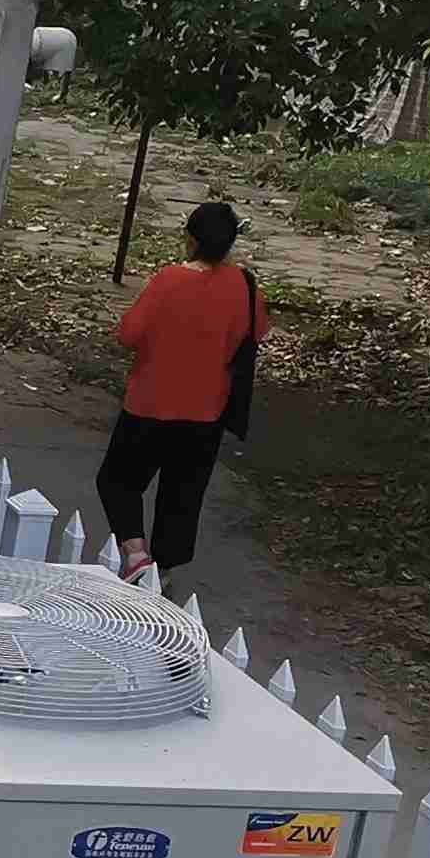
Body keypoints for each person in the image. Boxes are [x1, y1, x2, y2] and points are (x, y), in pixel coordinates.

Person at [99, 200, 264, 593]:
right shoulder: (246, 287)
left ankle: (135, 554)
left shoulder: (169, 280)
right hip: (207, 412)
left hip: (149, 405)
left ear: (190, 239)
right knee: (182, 496)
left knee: (118, 480)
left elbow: (128, 334)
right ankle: (164, 575)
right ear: (230, 243)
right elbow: (255, 333)